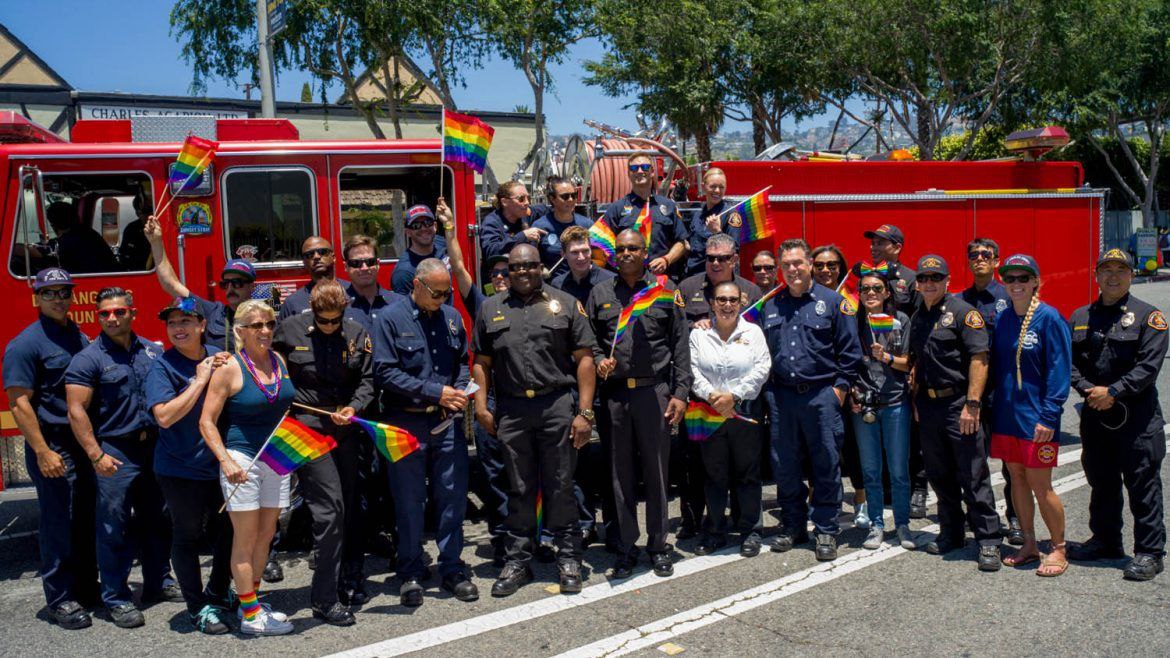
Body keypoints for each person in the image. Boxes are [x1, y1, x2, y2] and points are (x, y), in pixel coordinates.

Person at [472, 243, 597, 596]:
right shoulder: (490, 309)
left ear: (541, 267)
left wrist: (584, 413)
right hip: (511, 410)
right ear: (507, 272)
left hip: (556, 406)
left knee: (560, 484)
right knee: (519, 487)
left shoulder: (565, 303)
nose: (522, 272)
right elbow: (481, 363)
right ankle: (518, 561)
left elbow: (585, 360)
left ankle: (568, 557)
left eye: (529, 266)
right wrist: (481, 407)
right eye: (515, 268)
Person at [65, 287, 176, 628]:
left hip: (153, 447)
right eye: (105, 313)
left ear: (133, 313)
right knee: (113, 525)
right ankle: (116, 596)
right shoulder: (88, 358)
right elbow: (76, 411)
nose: (112, 318)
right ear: (98, 317)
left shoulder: (153, 351)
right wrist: (96, 455)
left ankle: (159, 582)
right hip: (115, 450)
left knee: (158, 517)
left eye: (119, 312)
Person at [587, 229, 690, 578]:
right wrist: (600, 360)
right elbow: (591, 343)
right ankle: (625, 546)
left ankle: (659, 545)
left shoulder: (665, 291)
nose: (627, 253)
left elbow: (680, 346)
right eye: (621, 249)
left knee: (657, 473)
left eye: (633, 248)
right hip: (615, 395)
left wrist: (680, 393)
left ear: (645, 252)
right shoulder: (600, 293)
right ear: (614, 255)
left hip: (654, 393)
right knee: (619, 474)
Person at [375, 259, 478, 606]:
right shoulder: (390, 319)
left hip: (446, 422)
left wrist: (459, 391)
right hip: (406, 422)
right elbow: (385, 373)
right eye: (436, 293)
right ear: (417, 286)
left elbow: (463, 361)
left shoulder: (451, 317)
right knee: (408, 501)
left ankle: (452, 568)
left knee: (452, 498)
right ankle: (410, 571)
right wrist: (436, 392)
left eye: (446, 292)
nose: (442, 299)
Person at [3, 268, 98, 629]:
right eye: (50, 293)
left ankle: (86, 588)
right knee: (57, 522)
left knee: (84, 518)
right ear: (37, 298)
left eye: (64, 292)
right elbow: (19, 404)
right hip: (53, 444)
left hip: (82, 442)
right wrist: (42, 450)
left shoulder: (75, 334)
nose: (58, 299)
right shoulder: (26, 344)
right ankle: (59, 598)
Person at [273, 280, 372, 624]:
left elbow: (367, 380)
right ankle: (324, 599)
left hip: (344, 427)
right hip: (306, 427)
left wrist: (354, 407)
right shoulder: (289, 330)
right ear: (312, 312)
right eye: (323, 320)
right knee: (329, 510)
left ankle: (347, 575)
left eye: (335, 320)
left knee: (347, 507)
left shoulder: (358, 332)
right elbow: (271, 369)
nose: (329, 327)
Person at [1067, 249, 1168, 581]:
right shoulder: (1081, 316)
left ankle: (1150, 552)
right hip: (1096, 417)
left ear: (1131, 275)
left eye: (1120, 270)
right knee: (1102, 483)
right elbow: (1068, 365)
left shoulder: (1148, 316)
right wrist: (1089, 391)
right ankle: (1106, 541)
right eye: (1106, 270)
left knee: (1143, 485)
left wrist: (1112, 391)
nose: (1112, 276)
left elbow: (1149, 368)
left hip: (1136, 420)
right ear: (1096, 276)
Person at [199, 300, 296, 635]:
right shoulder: (229, 368)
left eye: (269, 323)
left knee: (267, 535)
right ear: (239, 331)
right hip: (242, 460)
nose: (265, 331)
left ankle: (249, 603)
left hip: (276, 457)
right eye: (256, 325)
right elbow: (206, 422)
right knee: (246, 536)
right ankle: (252, 617)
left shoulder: (279, 360)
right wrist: (225, 462)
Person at [761, 239, 861, 561]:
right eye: (787, 264)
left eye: (799, 263)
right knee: (785, 466)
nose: (793, 269)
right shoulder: (771, 305)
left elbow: (850, 352)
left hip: (821, 396)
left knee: (825, 465)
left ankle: (827, 530)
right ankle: (793, 526)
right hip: (782, 398)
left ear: (810, 264)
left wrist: (839, 391)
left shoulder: (833, 302)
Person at [904, 255, 1003, 571]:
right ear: (918, 284)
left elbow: (979, 359)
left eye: (935, 278)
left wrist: (972, 405)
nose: (929, 283)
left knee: (972, 474)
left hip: (958, 405)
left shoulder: (963, 313)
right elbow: (918, 361)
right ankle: (952, 532)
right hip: (930, 408)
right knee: (939, 474)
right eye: (923, 278)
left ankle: (988, 540)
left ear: (947, 281)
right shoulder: (919, 316)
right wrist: (919, 402)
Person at [146, 297, 235, 634]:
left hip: (220, 465)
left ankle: (217, 591)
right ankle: (198, 607)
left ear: (201, 325)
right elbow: (165, 416)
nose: (178, 328)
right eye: (172, 323)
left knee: (228, 531)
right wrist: (198, 381)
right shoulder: (162, 366)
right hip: (179, 469)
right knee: (187, 536)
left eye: (185, 321)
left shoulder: (218, 355)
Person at [438, 198, 512, 565]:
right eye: (495, 274)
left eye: (506, 273)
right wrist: (450, 230)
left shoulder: (541, 304)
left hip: (523, 403)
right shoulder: (484, 306)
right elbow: (459, 268)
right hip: (492, 402)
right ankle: (501, 537)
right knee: (495, 475)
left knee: (528, 474)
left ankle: (535, 534)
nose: (500, 278)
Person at [989, 255, 1071, 576]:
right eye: (1010, 279)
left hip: (1037, 420)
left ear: (1036, 281)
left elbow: (1059, 372)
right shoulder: (1004, 318)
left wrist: (1049, 417)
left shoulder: (1050, 319)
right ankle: (1029, 543)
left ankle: (1059, 548)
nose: (1016, 284)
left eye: (1024, 278)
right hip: (1008, 418)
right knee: (1017, 480)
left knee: (1041, 484)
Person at [675, 233, 761, 538]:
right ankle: (694, 521)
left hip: (740, 401)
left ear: (734, 259)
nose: (715, 262)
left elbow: (759, 344)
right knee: (696, 465)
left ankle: (743, 521)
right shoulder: (687, 287)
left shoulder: (751, 290)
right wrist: (692, 325)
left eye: (722, 258)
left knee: (742, 467)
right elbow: (674, 328)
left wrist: (734, 395)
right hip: (701, 401)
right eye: (710, 257)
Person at [688, 280, 771, 557]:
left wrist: (733, 397)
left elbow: (762, 368)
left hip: (744, 411)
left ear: (741, 302)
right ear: (712, 303)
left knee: (747, 474)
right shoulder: (699, 335)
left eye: (732, 300)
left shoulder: (754, 332)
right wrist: (714, 396)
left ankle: (751, 531)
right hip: (709, 412)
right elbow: (693, 370)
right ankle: (714, 531)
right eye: (721, 300)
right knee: (714, 475)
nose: (727, 305)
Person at [550, 225, 618, 549]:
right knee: (577, 458)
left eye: (585, 251)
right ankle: (585, 523)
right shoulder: (555, 287)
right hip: (572, 381)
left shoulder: (608, 282)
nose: (581, 257)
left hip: (607, 380)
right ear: (564, 255)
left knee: (608, 457)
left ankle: (613, 524)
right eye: (574, 252)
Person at [960, 237, 1023, 545]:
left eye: (986, 254)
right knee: (974, 460)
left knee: (1010, 462)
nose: (980, 258)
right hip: (973, 394)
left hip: (1004, 392)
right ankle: (979, 513)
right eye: (974, 255)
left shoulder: (1008, 297)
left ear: (997, 261)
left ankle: (1015, 517)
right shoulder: (960, 300)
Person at [145, 215, 258, 351]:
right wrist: (156, 242)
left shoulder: (264, 318)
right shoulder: (211, 312)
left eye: (237, 283)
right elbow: (171, 284)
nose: (230, 288)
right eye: (225, 284)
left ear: (252, 287)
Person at [600, 152, 690, 279]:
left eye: (645, 167)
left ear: (652, 171)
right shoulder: (617, 208)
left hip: (661, 279)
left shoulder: (668, 206)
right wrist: (623, 265)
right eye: (634, 168)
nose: (640, 171)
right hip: (627, 282)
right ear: (628, 174)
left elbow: (681, 242)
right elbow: (601, 244)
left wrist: (666, 259)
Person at [684, 168, 742, 276]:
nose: (717, 191)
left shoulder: (731, 215)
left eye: (721, 187)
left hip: (715, 277)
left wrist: (718, 232)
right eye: (713, 186)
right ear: (703, 186)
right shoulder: (698, 215)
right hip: (692, 276)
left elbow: (734, 253)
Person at [342, 234, 406, 331]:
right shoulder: (338, 307)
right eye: (356, 263)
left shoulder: (401, 304)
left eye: (370, 262)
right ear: (346, 267)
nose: (364, 268)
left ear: (378, 264)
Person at [533, 177, 592, 279]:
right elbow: (532, 259)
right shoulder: (540, 227)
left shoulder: (587, 225)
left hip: (583, 284)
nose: (570, 199)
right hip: (553, 286)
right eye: (565, 196)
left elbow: (598, 256)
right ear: (552, 199)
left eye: (574, 195)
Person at [390, 205, 449, 296]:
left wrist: (449, 223)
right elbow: (406, 309)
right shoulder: (403, 273)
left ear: (435, 226)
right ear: (408, 232)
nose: (423, 228)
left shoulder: (443, 243)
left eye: (428, 222)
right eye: (416, 225)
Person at [47, 200, 119, 274]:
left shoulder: (73, 239)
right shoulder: (89, 233)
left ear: (54, 225)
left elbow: (46, 250)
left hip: (93, 280)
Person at [479, 181, 544, 262]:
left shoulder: (526, 213)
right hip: (502, 272)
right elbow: (491, 251)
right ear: (504, 202)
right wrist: (523, 236)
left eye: (528, 198)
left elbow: (551, 209)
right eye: (521, 199)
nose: (527, 202)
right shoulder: (492, 222)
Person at [279, 236, 337, 320]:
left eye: (322, 252)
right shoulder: (292, 303)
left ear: (333, 258)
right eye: (309, 254)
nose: (316, 257)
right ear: (304, 262)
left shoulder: (352, 293)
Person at [864, 224, 917, 314]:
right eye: (873, 243)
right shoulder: (866, 277)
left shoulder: (912, 279)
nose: (873, 248)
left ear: (897, 248)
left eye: (880, 243)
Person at [117, 195, 152, 271]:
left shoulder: (159, 228)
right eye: (143, 212)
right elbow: (124, 254)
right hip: (136, 271)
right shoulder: (131, 229)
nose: (148, 216)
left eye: (150, 210)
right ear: (137, 213)